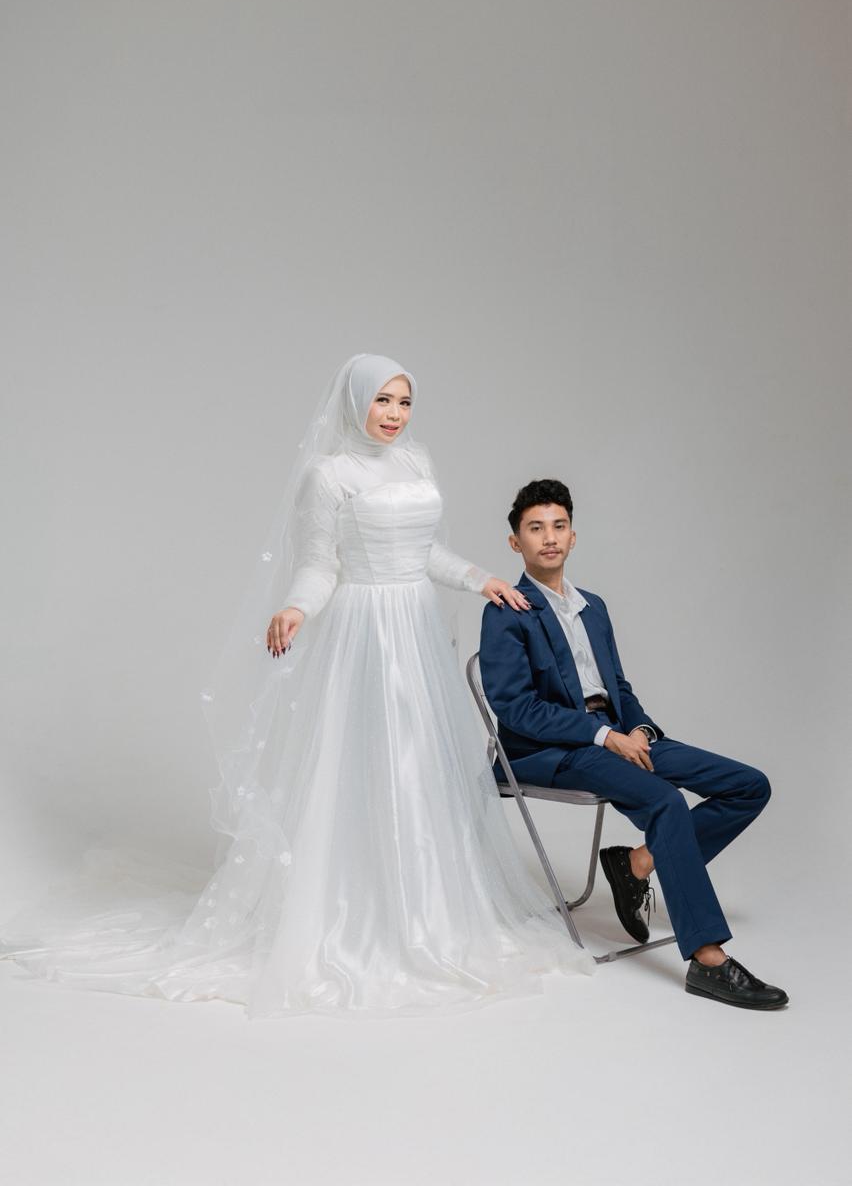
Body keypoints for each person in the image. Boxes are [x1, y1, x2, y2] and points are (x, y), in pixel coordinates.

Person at [0, 357, 594, 1017]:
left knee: (419, 768)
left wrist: (480, 579)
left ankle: (425, 910)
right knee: (360, 767)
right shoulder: (329, 474)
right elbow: (320, 562)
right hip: (365, 633)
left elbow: (423, 552)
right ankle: (358, 916)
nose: (394, 415)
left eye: (404, 402)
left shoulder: (415, 462)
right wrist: (295, 609)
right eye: (382, 401)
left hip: (416, 630)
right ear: (355, 402)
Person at [478, 478, 788, 1010]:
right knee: (665, 801)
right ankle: (708, 958)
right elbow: (515, 708)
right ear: (515, 542)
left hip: (615, 735)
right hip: (548, 751)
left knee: (748, 786)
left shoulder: (593, 607)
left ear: (573, 536)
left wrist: (640, 729)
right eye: (535, 528)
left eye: (558, 526)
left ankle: (638, 864)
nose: (549, 537)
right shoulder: (506, 610)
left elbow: (618, 687)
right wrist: (603, 736)